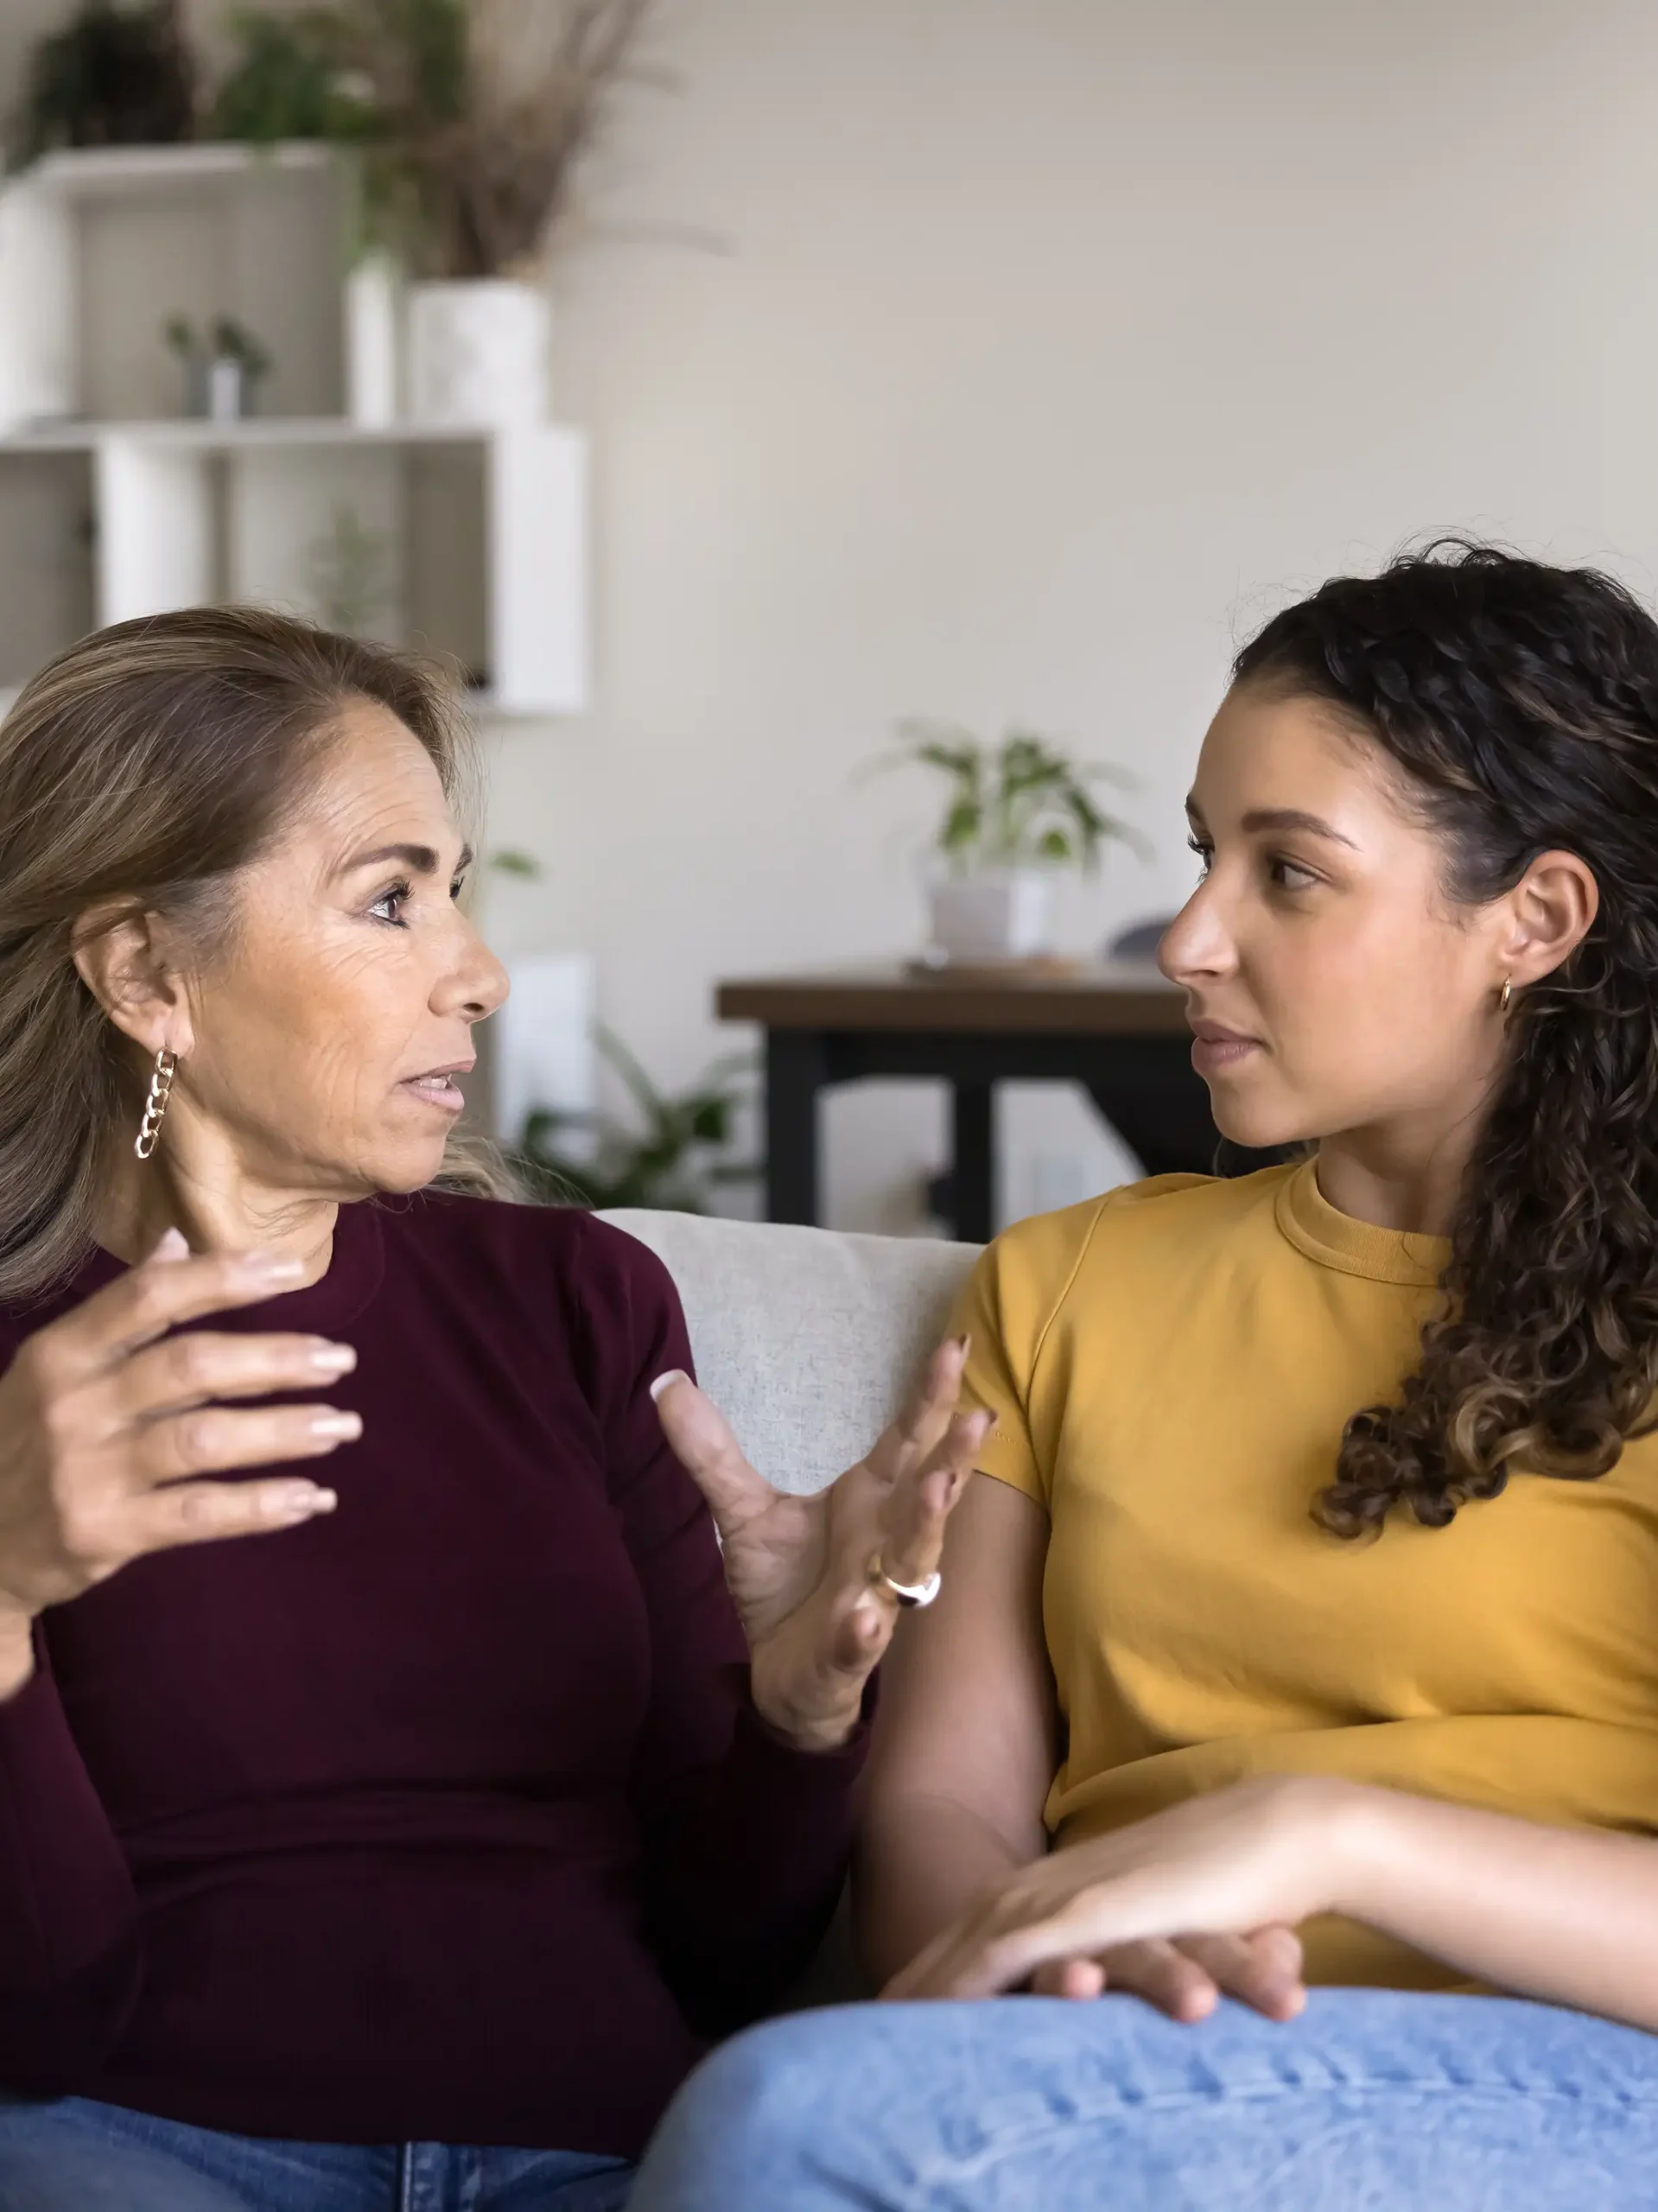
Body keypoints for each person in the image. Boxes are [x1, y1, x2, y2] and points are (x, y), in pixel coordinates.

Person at [626, 543, 1658, 2210]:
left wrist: (1332, 1836)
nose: (1187, 936)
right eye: (1201, 858)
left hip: (1583, 2071)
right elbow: (944, 1811)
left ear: (1528, 920)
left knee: (787, 2127)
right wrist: (1051, 1957)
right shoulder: (1068, 1287)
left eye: (1288, 873)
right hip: (1138, 2051)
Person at [0, 607, 981, 2212]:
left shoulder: (569, 1303)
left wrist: (800, 1718)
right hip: (134, 2143)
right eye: (390, 901)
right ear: (145, 973)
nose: (478, 975)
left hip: (595, 2151)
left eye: (456, 893)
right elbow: (31, 2019)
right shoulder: (13, 1375)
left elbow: (718, 1958)